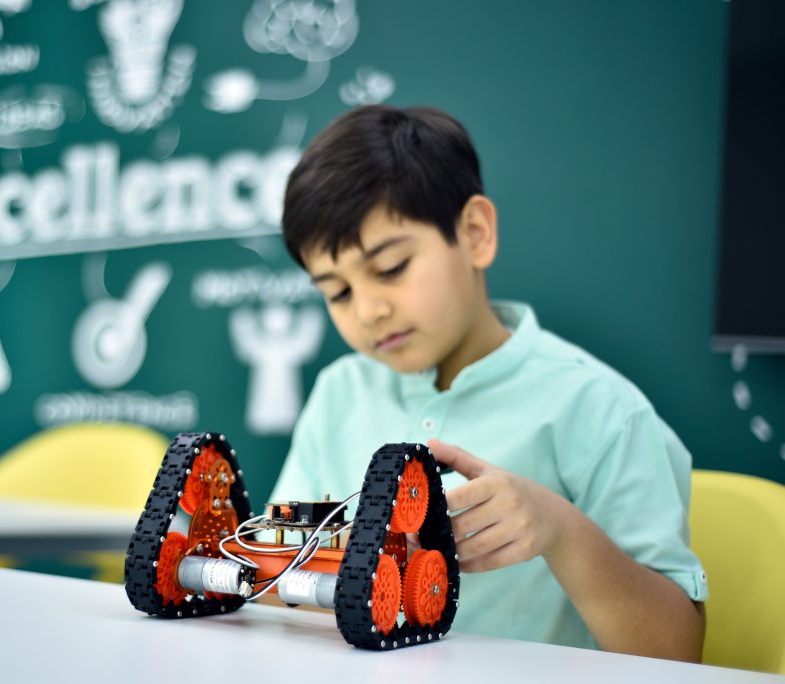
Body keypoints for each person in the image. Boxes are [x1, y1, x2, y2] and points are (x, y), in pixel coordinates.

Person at [269, 104, 707, 660]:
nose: (369, 310)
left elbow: (679, 652)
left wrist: (560, 530)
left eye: (392, 268)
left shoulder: (599, 408)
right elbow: (275, 581)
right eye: (338, 291)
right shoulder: (339, 392)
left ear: (475, 233)